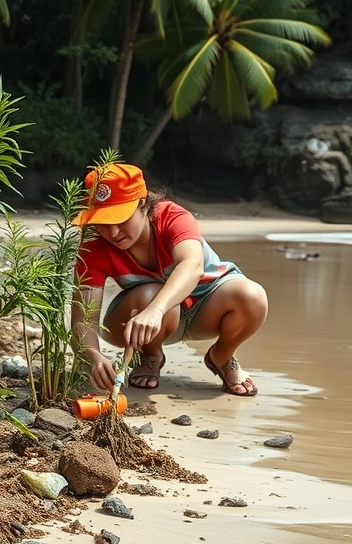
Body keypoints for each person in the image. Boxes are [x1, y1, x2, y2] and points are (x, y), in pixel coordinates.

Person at [70, 163, 268, 396]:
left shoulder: (172, 217)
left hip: (205, 307)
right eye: (103, 222)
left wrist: (155, 310)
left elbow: (192, 266)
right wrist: (93, 355)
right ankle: (151, 355)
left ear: (143, 204)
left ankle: (221, 357)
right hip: (139, 321)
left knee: (252, 296)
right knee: (150, 293)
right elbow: (83, 318)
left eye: (121, 218)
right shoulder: (94, 243)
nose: (113, 233)